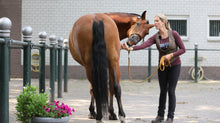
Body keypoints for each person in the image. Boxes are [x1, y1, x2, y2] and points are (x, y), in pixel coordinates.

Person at [121, 14, 186, 123]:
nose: (155, 23)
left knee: (171, 91)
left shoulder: (173, 34)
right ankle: (160, 116)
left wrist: (171, 55)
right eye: (155, 21)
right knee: (163, 91)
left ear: (163, 22)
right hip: (162, 67)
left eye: (157, 21)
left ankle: (170, 117)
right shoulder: (155, 37)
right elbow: (144, 45)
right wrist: (130, 49)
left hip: (175, 65)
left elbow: (183, 49)